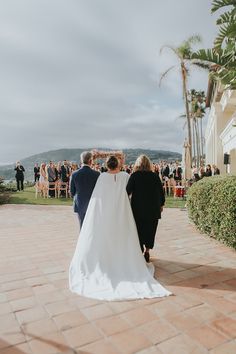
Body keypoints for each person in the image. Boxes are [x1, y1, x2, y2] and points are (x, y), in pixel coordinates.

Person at [69, 155, 171, 300]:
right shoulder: (125, 176)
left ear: (107, 165)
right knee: (125, 236)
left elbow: (98, 198)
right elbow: (127, 193)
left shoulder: (102, 177)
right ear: (118, 164)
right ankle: (137, 255)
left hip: (106, 215)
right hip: (123, 214)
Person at [126, 155, 165, 263]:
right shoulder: (155, 176)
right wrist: (161, 205)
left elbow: (127, 191)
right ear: (149, 164)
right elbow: (161, 193)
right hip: (153, 209)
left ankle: (140, 250)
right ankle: (147, 251)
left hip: (138, 209)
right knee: (150, 231)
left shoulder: (134, 176)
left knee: (138, 230)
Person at [70, 151, 100, 227]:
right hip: (92, 204)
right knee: (92, 226)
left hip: (80, 203)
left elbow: (72, 192)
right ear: (90, 161)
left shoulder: (74, 174)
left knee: (82, 225)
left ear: (81, 160)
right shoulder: (96, 174)